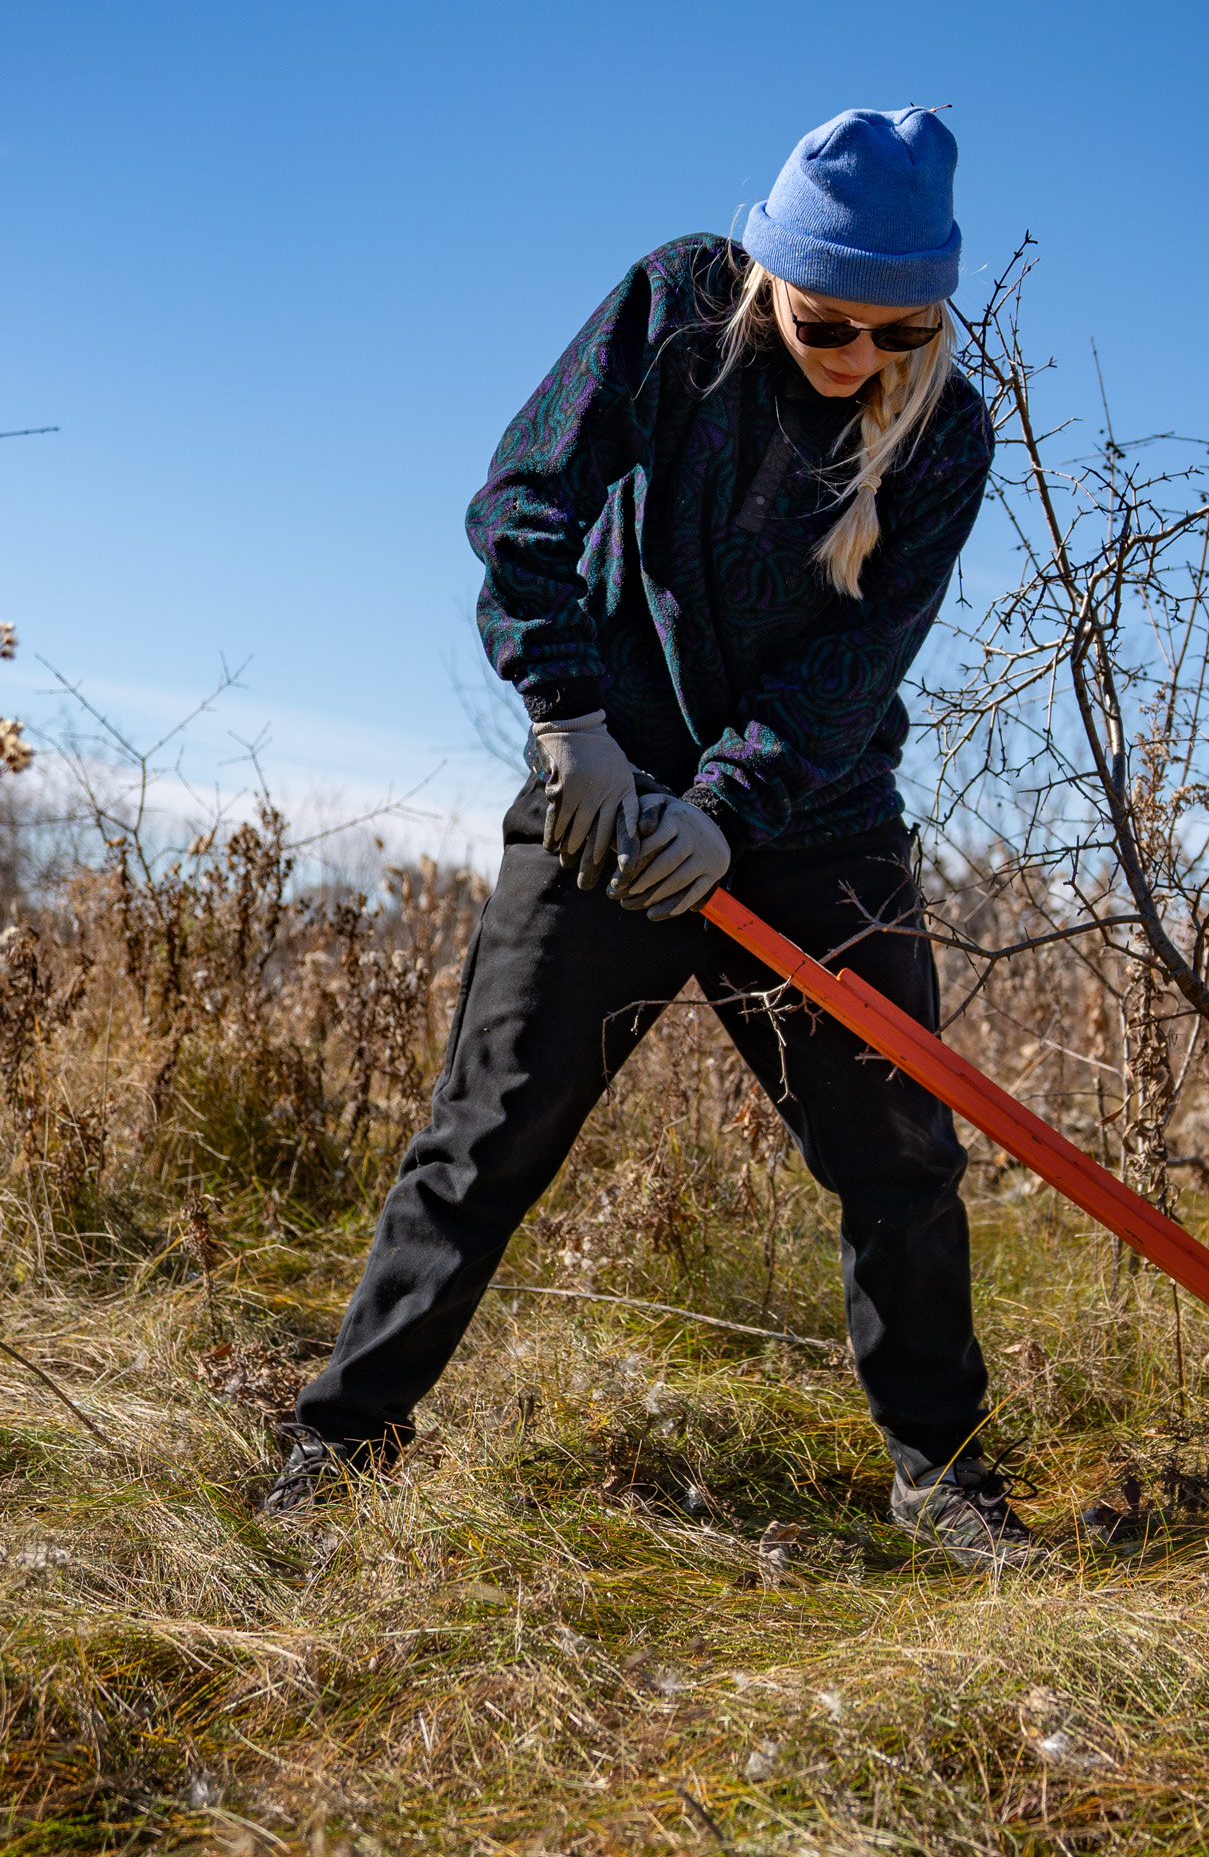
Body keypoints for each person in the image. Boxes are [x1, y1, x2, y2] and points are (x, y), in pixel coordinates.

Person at [264, 107, 1033, 1568]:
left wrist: (731, 817)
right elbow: (523, 499)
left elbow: (846, 674)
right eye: (827, 320)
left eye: (896, 327)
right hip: (604, 789)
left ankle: (944, 1476)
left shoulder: (949, 433)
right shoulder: (679, 309)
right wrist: (572, 725)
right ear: (769, 273)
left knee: (897, 1156)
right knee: (488, 1129)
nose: (857, 354)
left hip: (812, 825)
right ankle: (341, 1439)